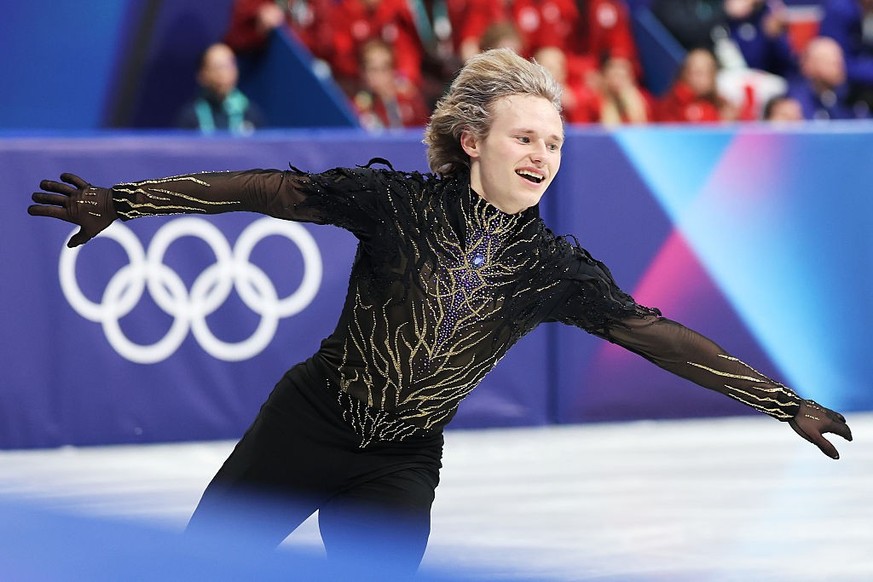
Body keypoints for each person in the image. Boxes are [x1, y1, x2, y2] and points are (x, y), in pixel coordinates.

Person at [28, 48, 852, 576]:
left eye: (554, 144)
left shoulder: (552, 267)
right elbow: (269, 190)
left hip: (400, 460)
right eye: (524, 138)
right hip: (307, 424)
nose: (541, 156)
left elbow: (657, 337)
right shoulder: (395, 202)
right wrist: (125, 200)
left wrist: (785, 404)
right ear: (471, 140)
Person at [175, 43, 265, 134]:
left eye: (229, 66)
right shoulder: (190, 117)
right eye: (218, 67)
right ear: (202, 75)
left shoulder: (250, 114)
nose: (224, 73)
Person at [352, 38, 431, 130]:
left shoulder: (410, 104)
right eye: (373, 70)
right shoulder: (355, 108)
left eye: (384, 69)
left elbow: (424, 137)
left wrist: (388, 100)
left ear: (393, 71)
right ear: (363, 72)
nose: (379, 76)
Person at [656, 48, 738, 122]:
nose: (700, 79)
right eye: (697, 72)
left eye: (707, 72)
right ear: (684, 74)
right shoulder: (672, 105)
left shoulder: (722, 104)